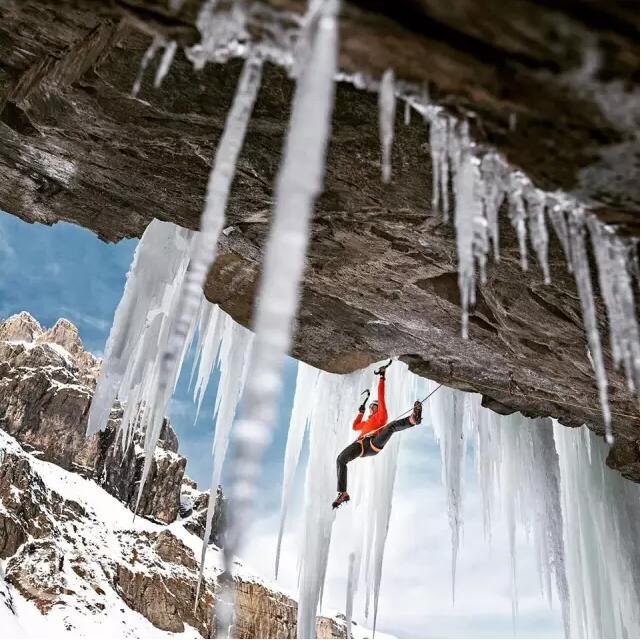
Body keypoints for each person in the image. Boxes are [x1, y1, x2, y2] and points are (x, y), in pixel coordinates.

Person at [332, 362, 423, 509]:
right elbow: (355, 426)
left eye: (373, 406)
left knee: (391, 426)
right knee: (341, 459)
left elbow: (381, 395)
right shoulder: (367, 421)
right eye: (370, 406)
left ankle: (412, 419)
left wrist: (382, 376)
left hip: (373, 443)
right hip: (362, 444)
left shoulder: (381, 415)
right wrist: (361, 412)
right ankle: (343, 492)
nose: (372, 408)